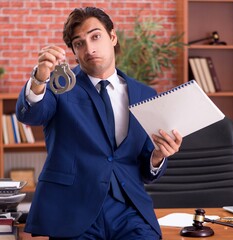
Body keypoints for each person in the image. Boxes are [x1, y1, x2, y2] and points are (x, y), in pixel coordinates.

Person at [16, 7, 182, 240]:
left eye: (95, 36)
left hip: (129, 212)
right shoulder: (58, 86)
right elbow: (29, 115)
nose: (89, 48)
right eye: (79, 43)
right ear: (73, 50)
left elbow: (146, 168)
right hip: (73, 211)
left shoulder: (145, 93)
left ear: (112, 37)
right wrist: (39, 78)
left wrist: (157, 156)